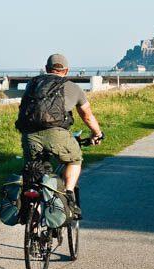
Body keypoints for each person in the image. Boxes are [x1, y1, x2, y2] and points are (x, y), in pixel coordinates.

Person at [16, 54, 103, 219]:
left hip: (30, 136)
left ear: (46, 69)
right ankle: (69, 195)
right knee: (74, 159)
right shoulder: (73, 88)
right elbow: (87, 116)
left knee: (34, 170)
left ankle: (32, 214)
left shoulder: (32, 84)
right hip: (57, 134)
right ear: (66, 70)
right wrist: (97, 134)